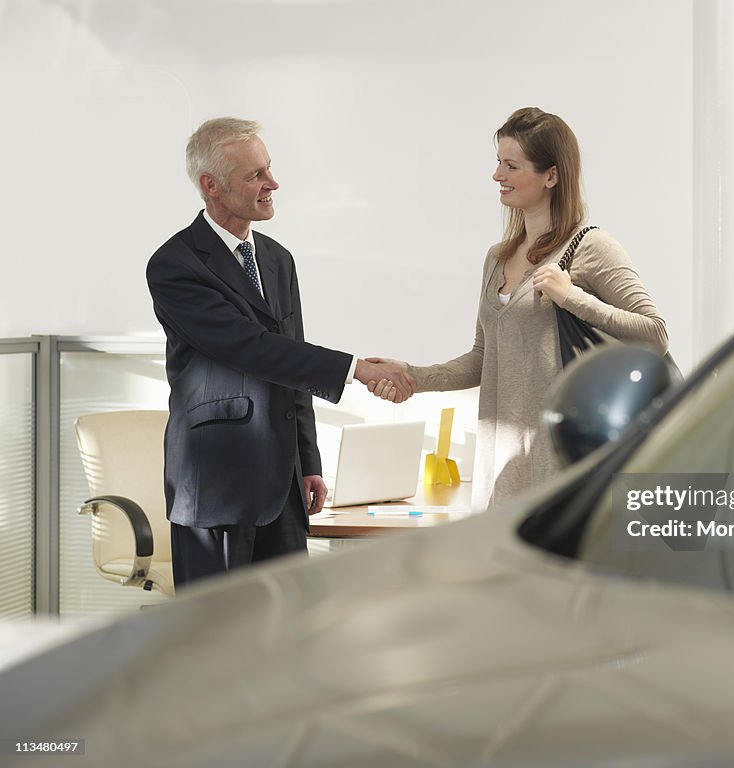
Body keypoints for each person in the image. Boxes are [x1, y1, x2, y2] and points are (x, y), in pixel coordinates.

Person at [147, 117, 413, 589]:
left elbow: (290, 358)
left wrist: (307, 461)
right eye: (255, 175)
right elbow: (251, 349)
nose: (273, 183)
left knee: (288, 631)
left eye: (268, 169)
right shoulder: (175, 265)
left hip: (282, 483)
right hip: (218, 484)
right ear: (211, 185)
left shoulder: (276, 258)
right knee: (220, 636)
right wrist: (356, 370)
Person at [367, 107, 668, 510]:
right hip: (500, 471)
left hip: (563, 470)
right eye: (498, 163)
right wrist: (413, 377)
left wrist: (572, 297)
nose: (497, 176)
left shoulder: (591, 247)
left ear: (551, 176)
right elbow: (481, 360)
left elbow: (655, 334)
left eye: (511, 165)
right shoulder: (497, 258)